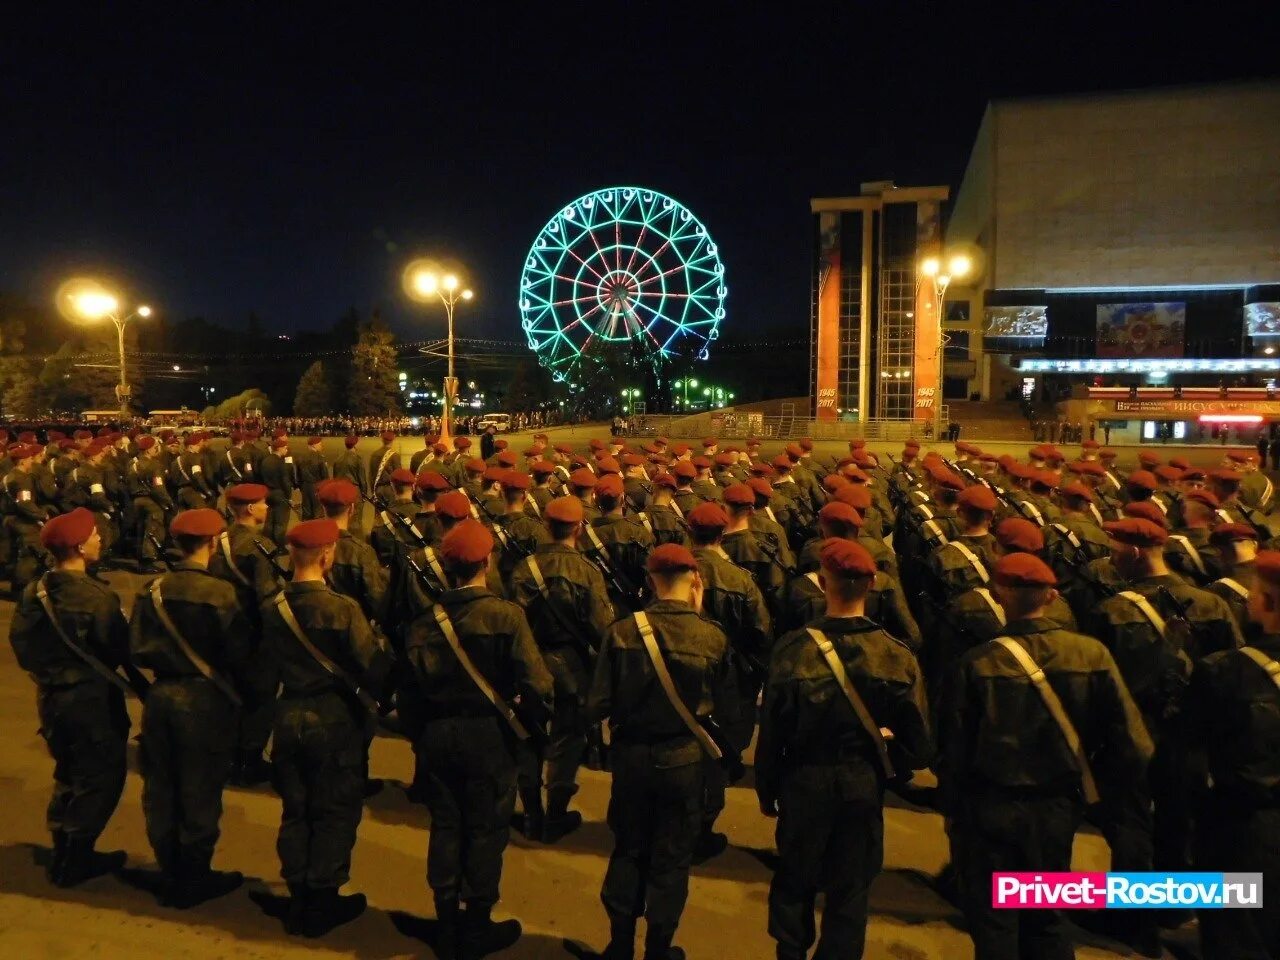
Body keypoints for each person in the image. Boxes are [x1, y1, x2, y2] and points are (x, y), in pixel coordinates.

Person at [938, 553, 1152, 960]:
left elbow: (955, 749)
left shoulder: (977, 663)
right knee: (1045, 916)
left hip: (990, 806)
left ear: (999, 595)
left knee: (996, 921)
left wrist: (951, 809)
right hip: (1057, 806)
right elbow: (1134, 743)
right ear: (1052, 596)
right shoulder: (1092, 655)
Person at [757, 539, 931, 960]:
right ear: (872, 584)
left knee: (795, 877)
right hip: (861, 780)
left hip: (803, 778)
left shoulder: (792, 650)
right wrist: (889, 762)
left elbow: (772, 734)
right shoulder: (896, 656)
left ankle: (791, 951)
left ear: (822, 582)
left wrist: (766, 789)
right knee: (851, 888)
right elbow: (921, 745)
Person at [404, 519, 553, 959]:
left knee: (446, 825)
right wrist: (532, 726)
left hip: (437, 733)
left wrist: (421, 737)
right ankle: (477, 923)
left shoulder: (422, 623)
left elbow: (409, 694)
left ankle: (445, 920)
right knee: (486, 830)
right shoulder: (506, 616)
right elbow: (538, 684)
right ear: (487, 562)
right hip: (488, 735)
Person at [587, 543, 730, 960]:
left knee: (629, 848)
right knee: (671, 859)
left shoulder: (622, 632)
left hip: (631, 758)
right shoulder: (712, 637)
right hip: (684, 761)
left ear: (651, 581)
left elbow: (596, 704)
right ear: (695, 583)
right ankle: (659, 949)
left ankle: (618, 945)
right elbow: (726, 706)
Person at [260, 518, 391, 937]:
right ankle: (322, 898)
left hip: (287, 713)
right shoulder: (342, 609)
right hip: (333, 718)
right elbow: (371, 666)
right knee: (334, 809)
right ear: (328, 555)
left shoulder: (270, 607)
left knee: (295, 806)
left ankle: (297, 889)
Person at [129, 508, 252, 907]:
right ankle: (194, 876)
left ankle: (169, 867)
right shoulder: (221, 594)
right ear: (214, 543)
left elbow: (135, 648)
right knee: (199, 788)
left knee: (161, 787)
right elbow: (240, 652)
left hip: (161, 697)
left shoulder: (152, 590)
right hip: (204, 699)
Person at [8, 508, 132, 886]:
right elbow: (119, 649)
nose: (99, 540)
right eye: (95, 536)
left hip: (51, 698)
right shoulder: (96, 597)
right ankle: (77, 859)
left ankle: (63, 847)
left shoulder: (36, 591)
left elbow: (22, 645)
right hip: (90, 701)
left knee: (68, 772)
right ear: (80, 547)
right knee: (101, 778)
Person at [1187, 549, 1280, 958]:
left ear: (1269, 603)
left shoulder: (1225, 670)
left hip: (1245, 827)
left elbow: (1188, 749)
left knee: (1238, 933)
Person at [509, 495, 615, 842]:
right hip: (572, 667)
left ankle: (531, 814)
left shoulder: (525, 568)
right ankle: (555, 813)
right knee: (568, 741)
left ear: (545, 524)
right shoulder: (587, 571)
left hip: (529, 662)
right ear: (580, 528)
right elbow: (602, 628)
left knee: (528, 737)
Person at [207, 482, 282, 786]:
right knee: (260, 697)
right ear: (250, 509)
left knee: (229, 694)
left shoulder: (216, 542)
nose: (267, 508)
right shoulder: (259, 547)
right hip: (252, 635)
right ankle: (249, 761)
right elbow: (267, 597)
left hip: (222, 630)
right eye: (263, 503)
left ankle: (227, 756)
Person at [259, 435, 296, 547]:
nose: (286, 450)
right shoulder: (281, 463)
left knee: (270, 518)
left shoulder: (265, 460)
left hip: (268, 492)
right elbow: (285, 481)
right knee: (281, 520)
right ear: (279, 449)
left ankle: (267, 541)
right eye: (285, 448)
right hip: (280, 493)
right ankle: (279, 545)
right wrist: (289, 497)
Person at [296, 436, 332, 521]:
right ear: (314, 445)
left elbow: (298, 475)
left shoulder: (301, 457)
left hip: (305, 487)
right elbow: (325, 476)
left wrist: (301, 486)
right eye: (320, 444)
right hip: (317, 487)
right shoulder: (320, 458)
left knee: (306, 511)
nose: (321, 446)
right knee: (318, 512)